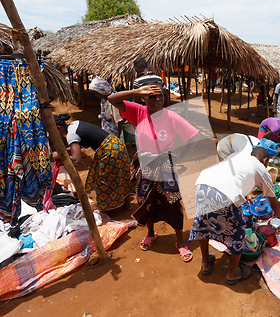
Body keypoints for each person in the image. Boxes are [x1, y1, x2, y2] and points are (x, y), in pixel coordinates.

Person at [108, 85, 199, 261]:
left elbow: (193, 136)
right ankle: (151, 233)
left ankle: (180, 241)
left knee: (172, 202)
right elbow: (112, 99)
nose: (158, 100)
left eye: (161, 97)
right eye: (152, 97)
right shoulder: (138, 112)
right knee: (145, 201)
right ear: (144, 98)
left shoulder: (171, 116)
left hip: (166, 166)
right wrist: (136, 92)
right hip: (145, 166)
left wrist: (180, 157)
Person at [189, 147, 280, 285]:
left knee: (204, 224)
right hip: (223, 195)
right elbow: (275, 204)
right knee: (238, 231)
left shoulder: (238, 156)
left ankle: (206, 263)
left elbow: (231, 176)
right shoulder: (262, 169)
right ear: (265, 160)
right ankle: (233, 273)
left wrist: (246, 193)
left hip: (202, 185)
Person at [52, 113, 135, 211]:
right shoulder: (74, 125)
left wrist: (60, 155)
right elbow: (78, 144)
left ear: (58, 128)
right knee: (122, 174)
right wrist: (65, 151)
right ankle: (127, 203)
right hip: (118, 145)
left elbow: (77, 160)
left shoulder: (71, 135)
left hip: (109, 151)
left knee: (104, 180)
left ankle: (106, 209)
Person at [89, 77, 124, 143]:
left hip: (114, 132)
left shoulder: (114, 101)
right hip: (107, 129)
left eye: (97, 93)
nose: (96, 95)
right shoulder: (103, 100)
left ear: (103, 91)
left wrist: (118, 137)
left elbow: (119, 121)